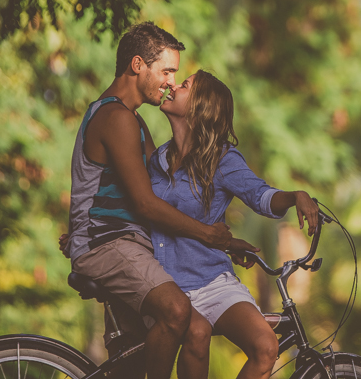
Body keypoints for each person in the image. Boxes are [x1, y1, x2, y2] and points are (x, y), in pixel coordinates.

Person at [64, 22, 255, 379]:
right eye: (167, 71)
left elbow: (163, 188)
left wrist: (225, 243)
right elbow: (146, 204)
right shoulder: (116, 117)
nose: (171, 82)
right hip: (109, 244)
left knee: (197, 330)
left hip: (124, 243)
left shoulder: (132, 121)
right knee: (178, 310)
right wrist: (208, 235)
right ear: (138, 65)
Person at [152, 70, 320, 379]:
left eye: (185, 84)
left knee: (266, 347)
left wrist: (296, 195)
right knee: (196, 336)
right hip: (166, 287)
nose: (173, 85)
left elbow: (261, 196)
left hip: (212, 280)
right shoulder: (155, 161)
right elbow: (133, 209)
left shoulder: (222, 159)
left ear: (201, 106)